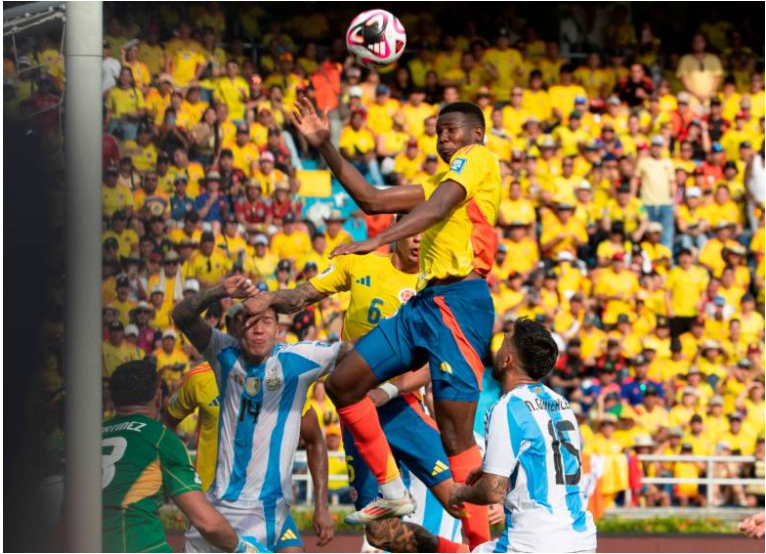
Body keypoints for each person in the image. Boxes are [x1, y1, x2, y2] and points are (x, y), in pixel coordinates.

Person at [286, 98, 498, 536]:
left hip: (461, 302)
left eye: (451, 130)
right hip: (424, 304)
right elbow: (372, 198)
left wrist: (376, 240)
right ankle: (392, 490)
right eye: (438, 131)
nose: (443, 138)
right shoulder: (441, 178)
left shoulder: (478, 159)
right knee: (342, 384)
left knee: (456, 434)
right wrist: (326, 146)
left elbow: (437, 210)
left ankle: (480, 545)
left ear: (476, 134)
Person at [244, 233, 469, 549]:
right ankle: (451, 550)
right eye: (413, 235)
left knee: (456, 500)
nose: (418, 242)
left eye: (425, 236)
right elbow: (301, 296)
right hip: (355, 409)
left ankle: (483, 544)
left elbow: (432, 362)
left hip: (401, 406)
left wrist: (386, 391)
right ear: (398, 232)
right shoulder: (358, 263)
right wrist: (266, 299)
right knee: (377, 531)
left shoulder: (432, 284)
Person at [388, 318, 598, 553]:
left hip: (535, 541)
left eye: (504, 343)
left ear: (508, 359)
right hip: (581, 539)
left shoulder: (508, 406)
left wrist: (459, 492)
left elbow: (492, 490)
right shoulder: (561, 404)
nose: (497, 348)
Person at [172, 275, 344, 552]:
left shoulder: (296, 367)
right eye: (249, 323)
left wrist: (321, 506)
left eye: (266, 322)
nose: (257, 330)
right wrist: (220, 291)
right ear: (236, 329)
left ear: (278, 328)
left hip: (271, 505)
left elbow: (314, 440)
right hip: (217, 504)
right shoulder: (218, 359)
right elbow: (181, 315)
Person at [102, 360, 266, 553]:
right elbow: (207, 523)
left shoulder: (86, 438)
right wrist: (242, 547)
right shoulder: (160, 437)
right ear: (158, 396)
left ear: (112, 398)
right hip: (141, 546)